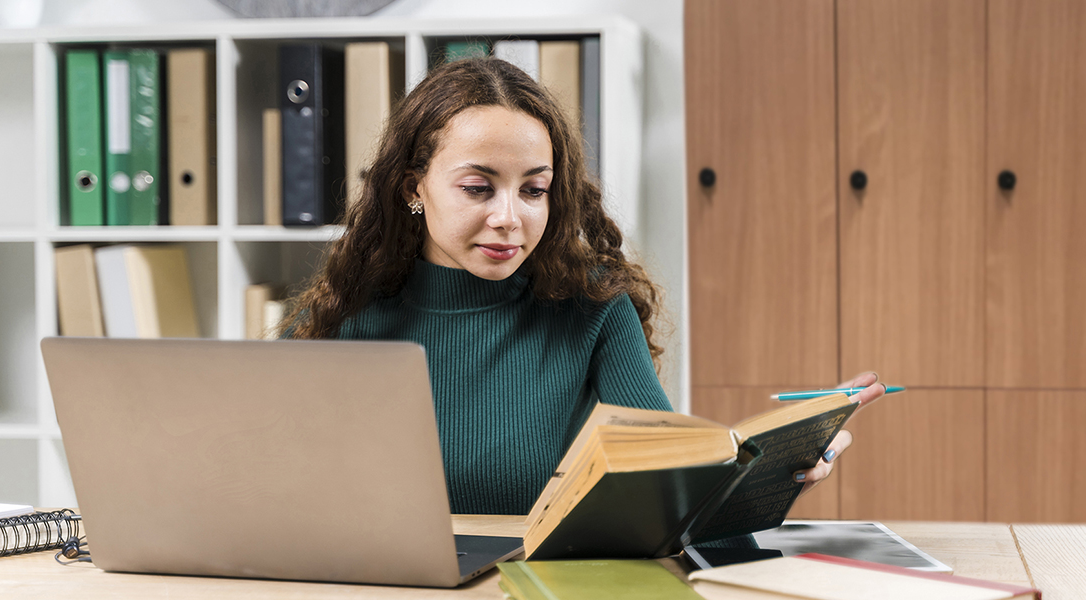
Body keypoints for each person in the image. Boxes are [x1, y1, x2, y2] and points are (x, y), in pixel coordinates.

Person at [281, 57, 886, 515]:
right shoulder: (345, 320)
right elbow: (282, 499)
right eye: (477, 187)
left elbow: (670, 491)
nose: (509, 218)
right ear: (414, 187)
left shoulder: (591, 306)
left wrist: (779, 462)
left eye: (534, 189)